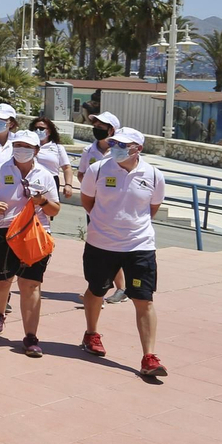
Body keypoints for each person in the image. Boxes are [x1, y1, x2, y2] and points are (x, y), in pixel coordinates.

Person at [79, 127, 168, 377]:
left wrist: (130, 227)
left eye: (122, 144)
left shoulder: (153, 174)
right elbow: (88, 201)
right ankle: (91, 333)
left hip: (139, 246)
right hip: (101, 244)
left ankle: (149, 357)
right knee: (97, 290)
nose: (115, 147)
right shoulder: (98, 170)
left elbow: (152, 209)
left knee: (144, 299)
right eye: (114, 142)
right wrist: (105, 223)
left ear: (137, 149)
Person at [0, 131, 62, 356]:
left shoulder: (46, 175)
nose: (21, 149)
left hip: (34, 236)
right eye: (17, 144)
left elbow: (55, 210)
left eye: (27, 146)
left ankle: (30, 336)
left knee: (30, 285)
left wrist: (43, 201)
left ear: (36, 150)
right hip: (3, 233)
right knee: (2, 281)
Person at [80, 111, 131, 304]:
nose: (97, 130)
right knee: (99, 247)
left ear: (112, 130)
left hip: (116, 208)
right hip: (96, 207)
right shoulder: (88, 151)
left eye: (102, 127)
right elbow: (82, 173)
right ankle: (99, 288)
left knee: (116, 247)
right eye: (96, 126)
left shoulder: (120, 150)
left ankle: (121, 288)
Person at [31, 116, 79, 198]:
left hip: (51, 181)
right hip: (31, 179)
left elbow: (66, 167)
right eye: (36, 128)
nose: (38, 131)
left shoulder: (57, 147)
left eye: (41, 128)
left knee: (50, 207)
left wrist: (68, 185)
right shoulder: (27, 145)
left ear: (49, 131)